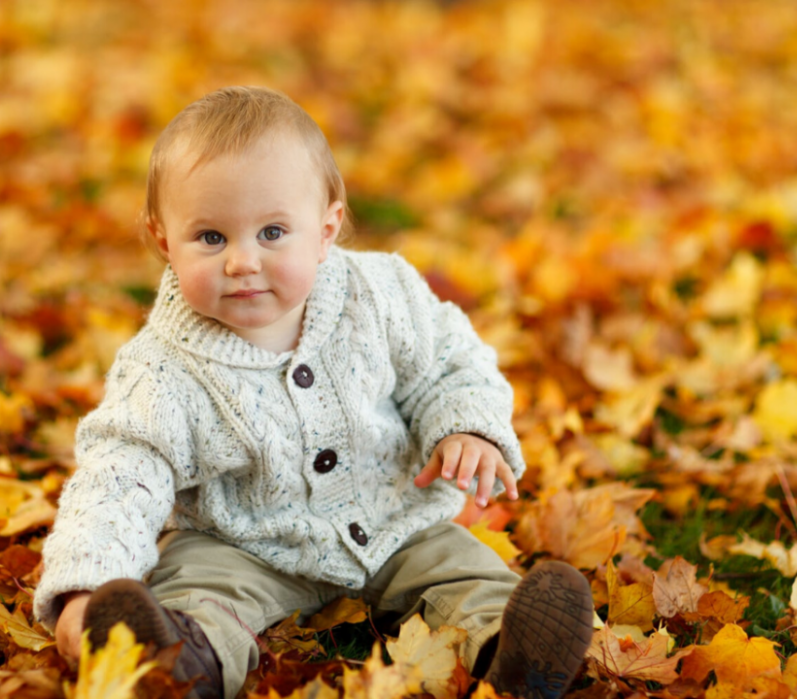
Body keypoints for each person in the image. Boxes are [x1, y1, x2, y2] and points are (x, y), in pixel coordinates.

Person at [32, 86, 593, 699]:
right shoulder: (161, 369)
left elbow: (449, 362)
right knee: (198, 590)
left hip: (394, 520)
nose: (242, 262)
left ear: (325, 230)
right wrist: (85, 585)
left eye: (272, 232)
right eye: (211, 238)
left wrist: (466, 426)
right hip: (243, 544)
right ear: (164, 241)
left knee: (463, 574)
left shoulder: (379, 294)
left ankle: (510, 652)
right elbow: (120, 475)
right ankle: (175, 661)